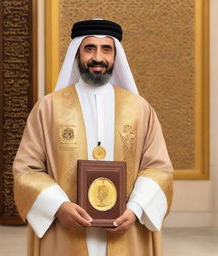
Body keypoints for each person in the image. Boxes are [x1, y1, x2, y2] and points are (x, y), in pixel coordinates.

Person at [13, 19, 173, 256]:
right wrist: (59, 206)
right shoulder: (48, 108)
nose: (98, 57)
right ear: (77, 53)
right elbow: (27, 169)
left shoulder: (139, 109)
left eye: (106, 49)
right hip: (66, 231)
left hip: (125, 231)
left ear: (115, 55)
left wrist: (136, 209)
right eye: (90, 48)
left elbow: (159, 168)